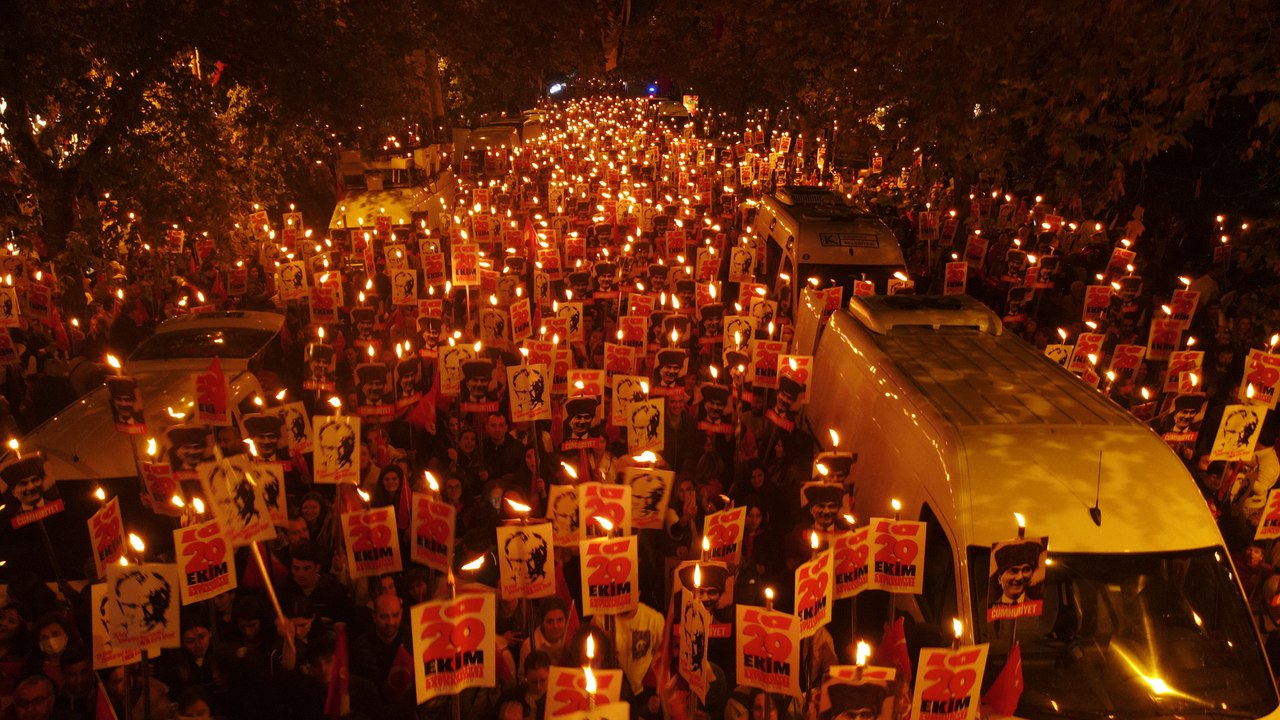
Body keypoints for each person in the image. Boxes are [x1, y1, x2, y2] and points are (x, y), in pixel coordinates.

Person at [988, 539, 1045, 607]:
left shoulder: (1039, 607)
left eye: (1026, 569)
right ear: (1000, 579)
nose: (1020, 577)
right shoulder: (989, 607)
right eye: (1013, 571)